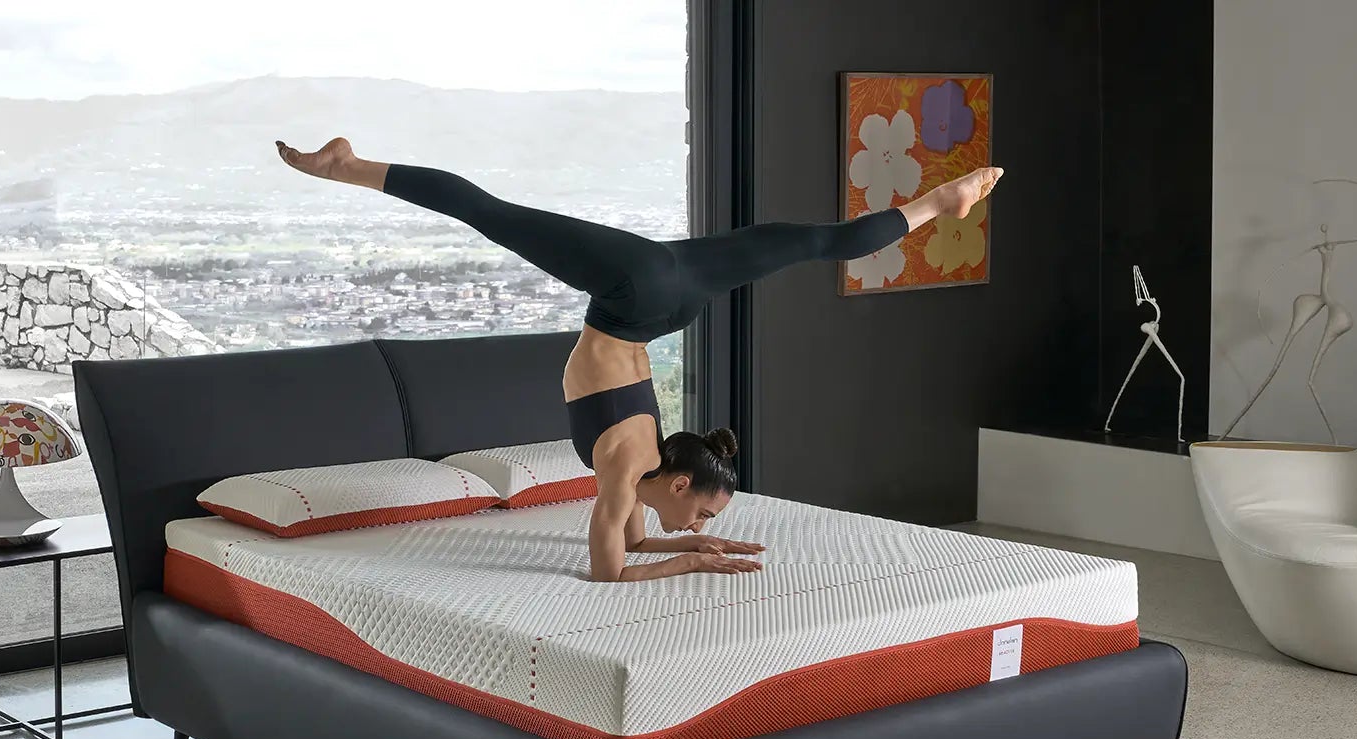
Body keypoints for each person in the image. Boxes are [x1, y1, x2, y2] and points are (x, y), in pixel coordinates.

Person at [276, 137, 1003, 582]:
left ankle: (944, 198)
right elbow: (625, 556)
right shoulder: (631, 467)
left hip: (657, 289)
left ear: (677, 478)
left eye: (699, 512)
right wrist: (690, 553)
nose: (693, 524)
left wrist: (688, 551)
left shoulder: (632, 469)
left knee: (490, 212)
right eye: (699, 513)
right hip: (649, 296)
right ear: (680, 479)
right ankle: (943, 199)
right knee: (819, 243)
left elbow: (612, 565)